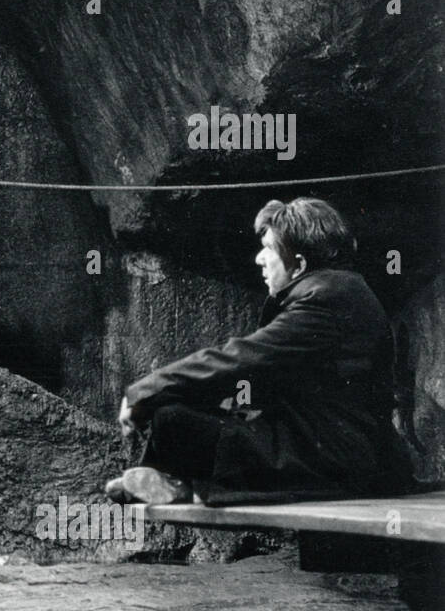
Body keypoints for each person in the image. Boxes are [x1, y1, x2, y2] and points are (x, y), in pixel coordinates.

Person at [108, 197, 413, 505]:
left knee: (173, 418)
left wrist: (146, 392)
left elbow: (243, 358)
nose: (259, 259)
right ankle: (179, 482)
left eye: (268, 248)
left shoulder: (327, 300)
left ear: (299, 263)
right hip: (326, 446)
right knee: (174, 414)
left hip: (339, 460)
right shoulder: (333, 290)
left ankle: (185, 484)